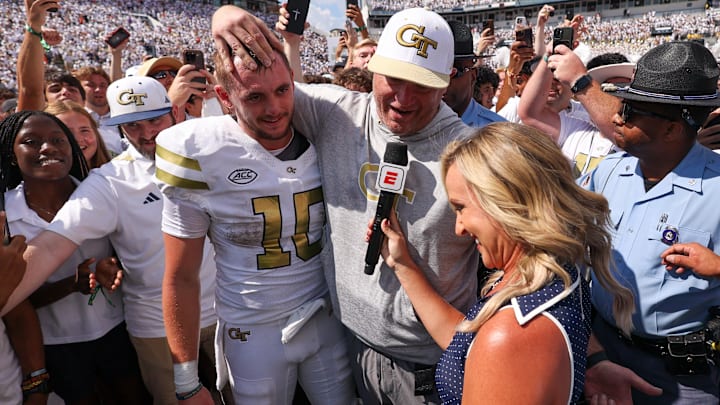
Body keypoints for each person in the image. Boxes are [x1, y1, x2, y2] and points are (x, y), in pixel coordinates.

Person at [215, 6, 480, 403]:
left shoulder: (473, 155)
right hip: (348, 344)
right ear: (373, 67)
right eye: (393, 78)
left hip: (427, 367)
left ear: (447, 81)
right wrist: (226, 16)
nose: (403, 99)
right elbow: (267, 92)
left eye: (422, 85)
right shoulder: (335, 114)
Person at [1, 77, 227, 405]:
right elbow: (51, 245)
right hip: (158, 327)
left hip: (229, 312)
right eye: (132, 125)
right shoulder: (108, 182)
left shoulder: (212, 153)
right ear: (118, 127)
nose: (147, 133)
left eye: (155, 120)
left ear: (174, 112)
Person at [373, 122, 634, 404]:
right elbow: (469, 345)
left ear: (505, 203)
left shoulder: (511, 336)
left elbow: (495, 346)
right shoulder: (559, 273)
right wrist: (403, 264)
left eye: (461, 208)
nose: (459, 228)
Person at [154, 49, 355, 405]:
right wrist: (185, 378)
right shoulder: (200, 152)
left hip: (323, 315)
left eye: (282, 90)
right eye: (254, 96)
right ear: (224, 97)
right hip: (253, 329)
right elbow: (180, 276)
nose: (274, 107)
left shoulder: (324, 134)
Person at [576, 41, 720, 404]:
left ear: (672, 130)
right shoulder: (608, 170)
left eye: (632, 109)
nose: (618, 116)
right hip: (603, 351)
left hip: (680, 380)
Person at [0, 110, 148, 404]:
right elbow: (12, 304)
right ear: (12, 154)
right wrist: (70, 284)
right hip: (54, 345)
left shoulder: (105, 195)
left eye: (59, 139)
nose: (48, 147)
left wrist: (116, 267)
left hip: (118, 329)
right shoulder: (5, 217)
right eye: (31, 141)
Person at [444, 20, 505, 127]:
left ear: (473, 76)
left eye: (453, 72)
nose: (442, 81)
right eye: (435, 71)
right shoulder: (414, 126)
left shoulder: (496, 132)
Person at [44, 100, 113, 169]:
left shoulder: (117, 174)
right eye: (66, 131)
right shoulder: (37, 179)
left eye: (84, 130)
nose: (77, 139)